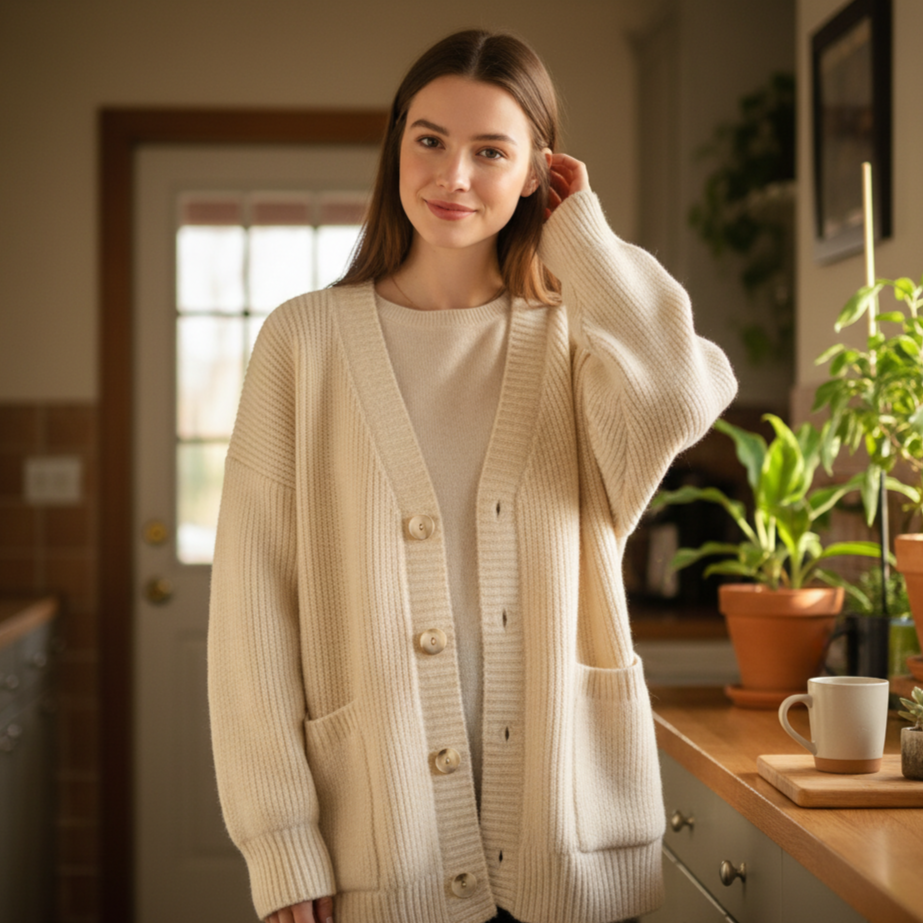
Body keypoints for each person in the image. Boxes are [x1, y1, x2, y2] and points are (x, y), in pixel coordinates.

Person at [208, 28, 737, 923]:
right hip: (379, 843)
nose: (452, 176)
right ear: (397, 146)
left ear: (537, 170)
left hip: (571, 842)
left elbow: (679, 392)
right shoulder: (303, 344)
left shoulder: (575, 338)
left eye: (490, 151)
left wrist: (585, 238)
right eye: (429, 140)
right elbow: (252, 612)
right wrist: (281, 840)